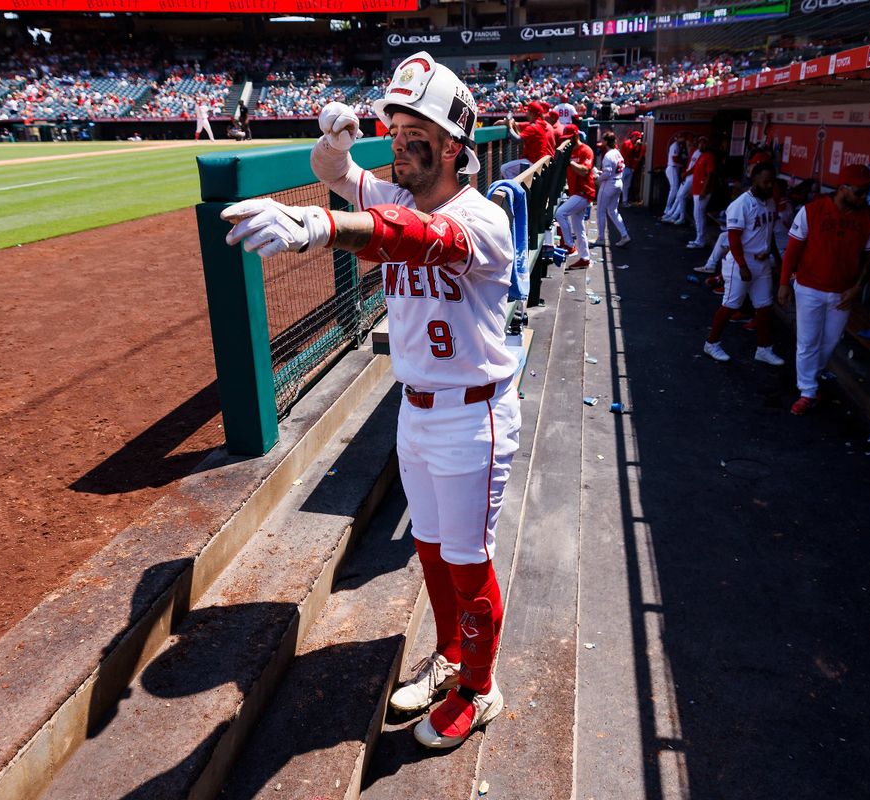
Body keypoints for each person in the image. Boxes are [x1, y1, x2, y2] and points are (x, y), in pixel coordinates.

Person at [222, 52, 517, 750]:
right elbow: (337, 176)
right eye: (393, 131)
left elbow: (421, 240)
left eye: (414, 135)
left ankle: (481, 688)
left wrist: (324, 227)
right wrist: (333, 143)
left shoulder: (481, 217)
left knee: (469, 561)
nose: (397, 147)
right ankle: (452, 656)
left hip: (473, 414)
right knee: (432, 551)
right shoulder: (395, 196)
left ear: (454, 146)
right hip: (415, 408)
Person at [777, 164, 870, 415]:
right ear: (843, 188)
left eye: (868, 191)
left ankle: (812, 377)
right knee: (807, 341)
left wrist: (857, 288)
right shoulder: (812, 211)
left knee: (830, 340)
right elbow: (793, 250)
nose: (865, 196)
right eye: (860, 191)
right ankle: (808, 390)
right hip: (809, 287)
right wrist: (783, 283)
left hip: (843, 291)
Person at [702, 161, 786, 366]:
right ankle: (711, 343)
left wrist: (778, 261)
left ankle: (764, 349)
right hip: (742, 262)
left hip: (762, 262)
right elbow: (733, 239)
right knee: (731, 305)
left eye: (772, 182)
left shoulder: (770, 202)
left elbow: (771, 235)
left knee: (764, 306)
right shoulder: (741, 204)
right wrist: (742, 265)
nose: (769, 186)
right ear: (754, 179)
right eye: (765, 182)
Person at [554, 124, 595, 270]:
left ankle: (570, 246)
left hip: (584, 192)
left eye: (569, 138)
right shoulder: (570, 150)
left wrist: (570, 162)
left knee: (560, 213)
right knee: (579, 228)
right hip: (575, 192)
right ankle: (585, 258)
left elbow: (584, 171)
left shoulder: (586, 150)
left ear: (576, 136)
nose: (568, 141)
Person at [595, 130, 632, 248]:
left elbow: (607, 173)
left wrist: (597, 178)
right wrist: (603, 174)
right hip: (618, 182)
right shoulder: (617, 152)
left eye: (603, 140)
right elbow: (615, 169)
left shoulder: (608, 155)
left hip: (609, 184)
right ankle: (625, 235)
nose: (602, 142)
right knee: (613, 211)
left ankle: (601, 238)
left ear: (606, 141)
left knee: (600, 211)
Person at [687, 136, 718, 248]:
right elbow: (694, 171)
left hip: (702, 191)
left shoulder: (709, 157)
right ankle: (699, 238)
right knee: (697, 215)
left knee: (699, 214)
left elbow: (710, 175)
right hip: (697, 190)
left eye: (703, 143)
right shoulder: (701, 156)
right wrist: (691, 189)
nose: (701, 145)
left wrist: (704, 190)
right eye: (700, 143)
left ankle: (700, 240)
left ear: (707, 144)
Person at [663, 131, 688, 216]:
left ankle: (669, 208)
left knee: (675, 189)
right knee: (674, 189)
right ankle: (667, 207)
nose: (682, 139)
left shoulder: (680, 145)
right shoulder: (675, 145)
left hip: (674, 168)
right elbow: (675, 158)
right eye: (681, 137)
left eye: (683, 137)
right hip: (672, 168)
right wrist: (683, 162)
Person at [620, 130, 644, 205]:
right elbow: (628, 153)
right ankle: (613, 202)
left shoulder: (635, 145)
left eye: (639, 138)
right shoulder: (627, 143)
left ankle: (624, 201)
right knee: (618, 185)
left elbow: (636, 157)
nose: (638, 140)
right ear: (633, 137)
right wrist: (636, 146)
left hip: (630, 168)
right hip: (623, 167)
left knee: (626, 186)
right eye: (637, 138)